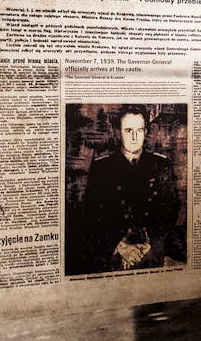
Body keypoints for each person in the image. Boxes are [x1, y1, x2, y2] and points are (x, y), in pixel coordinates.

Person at [68, 104, 182, 274]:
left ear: (145, 132)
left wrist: (145, 245)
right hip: (112, 255)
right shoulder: (102, 168)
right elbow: (92, 216)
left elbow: (170, 211)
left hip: (151, 252)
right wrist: (120, 247)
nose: (135, 137)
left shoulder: (160, 165)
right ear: (117, 132)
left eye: (140, 130)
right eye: (128, 130)